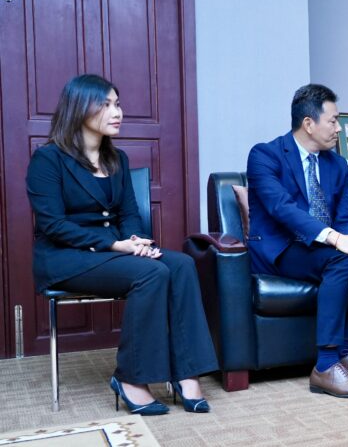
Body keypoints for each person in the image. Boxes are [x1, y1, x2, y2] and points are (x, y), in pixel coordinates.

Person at [27, 74, 217, 416]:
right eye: (106, 104)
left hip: (115, 251)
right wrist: (115, 245)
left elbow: (128, 213)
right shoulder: (48, 159)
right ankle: (130, 377)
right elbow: (52, 225)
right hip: (64, 257)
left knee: (182, 264)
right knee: (152, 274)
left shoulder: (118, 160)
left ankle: (186, 372)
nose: (117, 112)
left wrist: (134, 241)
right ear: (79, 108)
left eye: (117, 104)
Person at [246, 84, 348, 398]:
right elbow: (281, 209)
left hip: (326, 247)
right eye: (333, 120)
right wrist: (337, 240)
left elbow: (346, 214)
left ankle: (346, 351)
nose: (339, 128)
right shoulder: (264, 155)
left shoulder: (336, 164)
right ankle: (326, 366)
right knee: (340, 258)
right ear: (308, 123)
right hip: (283, 248)